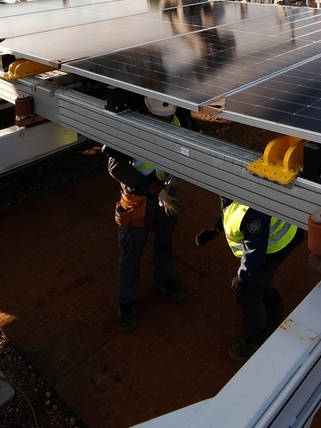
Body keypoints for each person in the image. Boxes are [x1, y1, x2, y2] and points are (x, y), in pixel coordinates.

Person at [106, 96, 195, 332]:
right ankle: (126, 301)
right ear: (146, 109)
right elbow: (116, 166)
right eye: (158, 117)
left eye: (166, 117)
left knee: (165, 242)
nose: (163, 121)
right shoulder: (130, 126)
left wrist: (176, 178)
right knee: (131, 252)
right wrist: (155, 190)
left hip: (168, 193)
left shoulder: (181, 121)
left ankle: (163, 281)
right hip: (139, 199)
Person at [206, 197, 304, 362]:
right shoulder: (239, 188)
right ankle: (276, 311)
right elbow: (229, 208)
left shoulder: (252, 209)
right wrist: (217, 228)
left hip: (275, 246)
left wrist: (241, 277)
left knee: (247, 294)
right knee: (260, 281)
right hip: (284, 236)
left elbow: (254, 255)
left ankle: (262, 339)